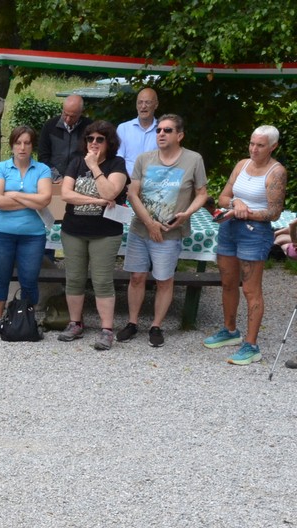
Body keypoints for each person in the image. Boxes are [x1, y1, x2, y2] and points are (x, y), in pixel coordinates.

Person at [121, 113, 208, 348]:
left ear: (180, 135)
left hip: (169, 233)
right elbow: (132, 194)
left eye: (167, 130)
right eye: (159, 130)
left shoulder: (193, 160)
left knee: (164, 280)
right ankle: (132, 323)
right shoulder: (144, 159)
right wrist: (150, 223)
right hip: (141, 230)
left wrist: (187, 213)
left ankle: (156, 326)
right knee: (136, 277)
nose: (161, 133)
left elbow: (202, 194)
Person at [204, 126, 287, 365]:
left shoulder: (276, 172)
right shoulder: (242, 164)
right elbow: (223, 197)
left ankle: (251, 346)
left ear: (273, 147)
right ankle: (230, 330)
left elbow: (273, 213)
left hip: (255, 233)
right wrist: (236, 202)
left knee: (251, 289)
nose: (254, 149)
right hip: (229, 227)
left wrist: (245, 212)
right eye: (252, 143)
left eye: (260, 145)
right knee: (228, 282)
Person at [57, 120, 127, 350]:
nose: (94, 143)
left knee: (102, 281)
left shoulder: (117, 164)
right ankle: (75, 323)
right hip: (73, 230)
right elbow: (66, 194)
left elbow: (111, 192)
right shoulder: (76, 161)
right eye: (90, 138)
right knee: (74, 278)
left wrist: (95, 167)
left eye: (100, 139)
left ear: (109, 142)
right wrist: (97, 201)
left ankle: (106, 330)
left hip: (105, 233)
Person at [0, 126, 53, 335]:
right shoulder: (1, 168)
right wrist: (31, 201)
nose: (22, 147)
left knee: (30, 278)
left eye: (27, 143)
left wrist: (13, 194)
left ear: (32, 146)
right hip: (0, 232)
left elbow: (45, 199)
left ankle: (27, 317)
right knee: (0, 276)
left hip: (32, 235)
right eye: (18, 143)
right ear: (12, 145)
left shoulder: (42, 169)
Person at [37, 94, 89, 180]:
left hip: (80, 179)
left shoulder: (89, 128)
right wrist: (57, 177)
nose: (68, 119)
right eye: (65, 114)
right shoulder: (49, 126)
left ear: (81, 113)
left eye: (72, 116)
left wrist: (72, 179)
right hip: (53, 178)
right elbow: (43, 157)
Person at [116, 87, 159, 168]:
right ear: (136, 105)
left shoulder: (162, 130)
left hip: (154, 175)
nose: (143, 106)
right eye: (140, 102)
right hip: (127, 175)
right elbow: (118, 158)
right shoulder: (123, 128)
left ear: (156, 105)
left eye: (148, 102)